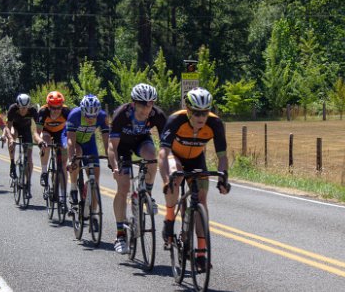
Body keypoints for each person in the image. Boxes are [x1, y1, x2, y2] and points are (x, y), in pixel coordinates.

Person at [158, 87, 231, 271]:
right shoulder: (176, 120)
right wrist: (166, 179)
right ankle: (168, 220)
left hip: (197, 159)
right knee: (175, 176)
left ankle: (201, 253)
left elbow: (222, 156)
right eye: (197, 113)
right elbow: (163, 153)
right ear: (188, 110)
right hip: (175, 156)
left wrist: (223, 178)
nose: (201, 117)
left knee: (202, 200)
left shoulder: (215, 123)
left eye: (205, 112)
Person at [107, 83, 167, 254]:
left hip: (141, 141)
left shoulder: (157, 114)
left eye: (150, 105)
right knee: (123, 187)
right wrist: (115, 167)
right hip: (122, 147)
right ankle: (120, 234)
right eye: (142, 106)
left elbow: (166, 144)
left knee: (152, 157)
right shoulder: (122, 114)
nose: (146, 111)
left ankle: (147, 193)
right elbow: (112, 147)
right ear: (133, 103)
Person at [66, 94, 109, 217]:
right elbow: (70, 141)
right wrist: (71, 159)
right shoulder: (74, 115)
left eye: (93, 116)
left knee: (95, 180)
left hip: (89, 142)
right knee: (77, 154)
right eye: (87, 116)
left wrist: (110, 158)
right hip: (74, 140)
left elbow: (106, 140)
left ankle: (94, 214)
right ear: (82, 111)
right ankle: (73, 188)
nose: (90, 119)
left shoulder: (102, 116)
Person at [6, 93, 43, 197]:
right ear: (18, 105)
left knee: (29, 158)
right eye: (21, 108)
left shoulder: (33, 111)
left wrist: (40, 139)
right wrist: (10, 139)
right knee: (12, 135)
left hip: (26, 130)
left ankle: (28, 183)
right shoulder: (12, 109)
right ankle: (12, 164)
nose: (23, 110)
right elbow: (7, 127)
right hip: (15, 128)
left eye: (25, 108)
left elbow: (39, 127)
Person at [37, 91, 70, 187]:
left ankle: (63, 194)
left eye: (59, 108)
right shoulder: (43, 112)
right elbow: (36, 133)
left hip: (61, 133)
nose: (56, 111)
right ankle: (44, 173)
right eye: (52, 108)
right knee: (46, 144)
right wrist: (40, 141)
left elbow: (72, 131)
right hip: (47, 131)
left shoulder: (66, 111)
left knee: (63, 164)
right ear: (48, 106)